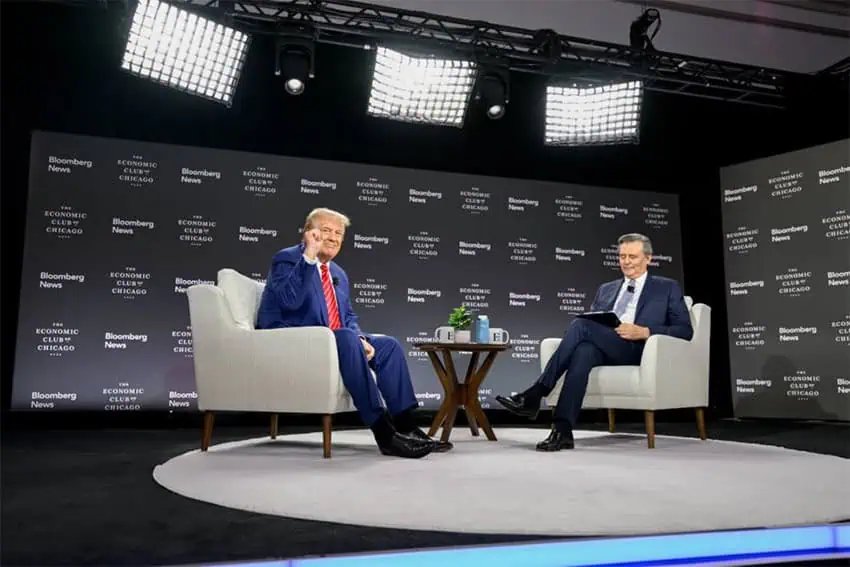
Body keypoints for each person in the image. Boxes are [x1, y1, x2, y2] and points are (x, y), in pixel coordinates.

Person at [256, 207, 451, 458]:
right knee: (347, 338)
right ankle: (384, 434)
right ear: (308, 232)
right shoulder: (286, 259)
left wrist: (360, 339)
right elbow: (289, 301)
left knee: (387, 345)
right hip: (290, 338)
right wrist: (309, 256)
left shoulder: (338, 273)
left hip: (332, 339)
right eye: (326, 230)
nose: (334, 238)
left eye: (339, 233)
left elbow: (347, 318)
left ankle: (407, 427)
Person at [496, 233, 693, 451]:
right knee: (583, 351)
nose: (626, 262)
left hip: (639, 349)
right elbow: (595, 322)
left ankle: (536, 393)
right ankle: (562, 431)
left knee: (580, 326)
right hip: (606, 345)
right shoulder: (606, 289)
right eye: (622, 256)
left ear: (648, 258)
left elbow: (685, 330)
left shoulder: (666, 287)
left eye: (633, 257)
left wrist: (645, 331)